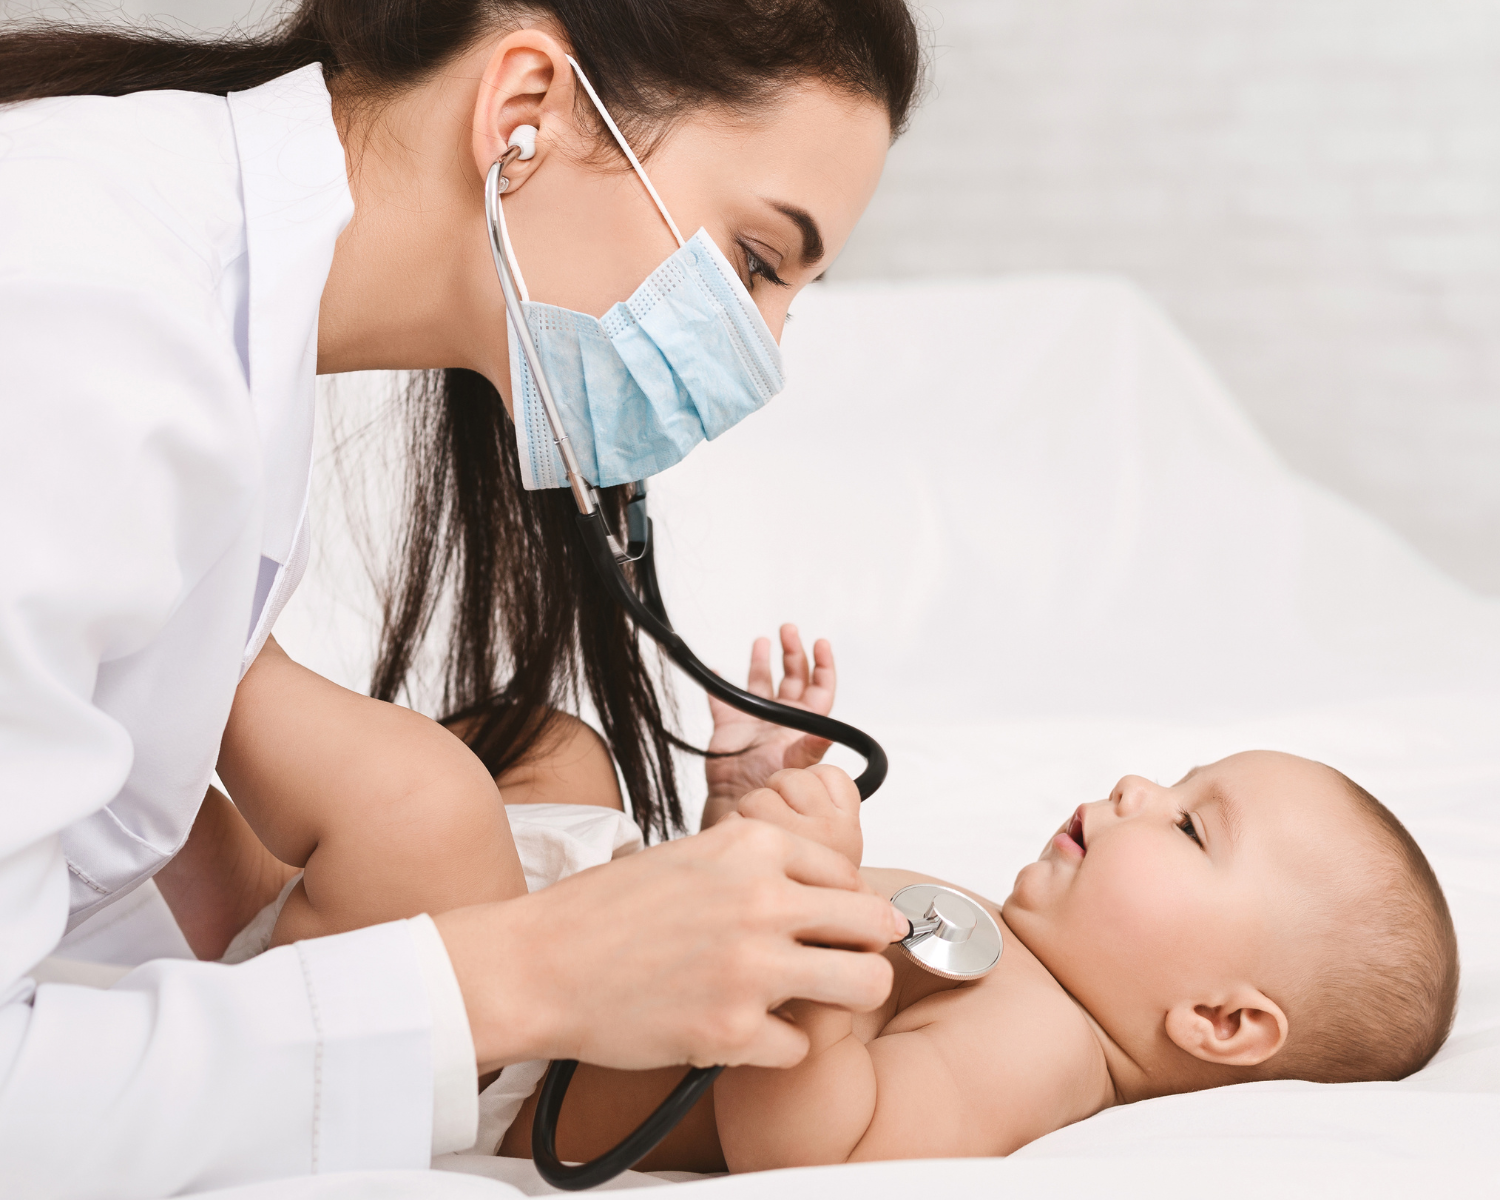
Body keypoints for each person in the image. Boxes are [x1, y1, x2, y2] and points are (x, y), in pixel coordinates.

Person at [0, 1, 923, 1192]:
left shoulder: (207, 325)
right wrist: (537, 971)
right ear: (523, 112)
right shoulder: (92, 332)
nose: (766, 350)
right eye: (754, 261)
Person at [210, 629, 1460, 1174]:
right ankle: (237, 846)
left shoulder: (1037, 1053)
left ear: (1222, 1022)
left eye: (1191, 823)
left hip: (493, 1039)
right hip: (568, 914)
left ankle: (209, 657)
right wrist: (748, 814)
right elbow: (720, 942)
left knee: (421, 803)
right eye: (1178, 776)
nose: (1139, 783)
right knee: (554, 743)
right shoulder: (1026, 954)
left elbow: (815, 1142)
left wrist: (818, 924)